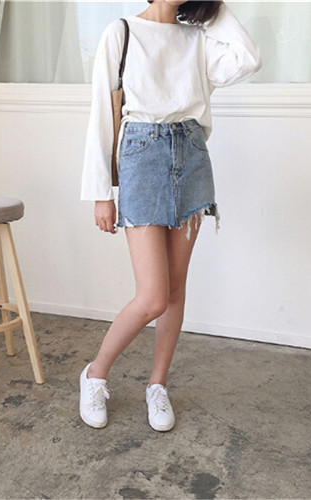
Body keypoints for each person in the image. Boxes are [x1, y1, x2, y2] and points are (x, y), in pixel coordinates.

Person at [79, 0, 262, 431]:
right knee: (153, 297)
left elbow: (248, 59)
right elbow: (102, 113)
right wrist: (101, 193)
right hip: (141, 158)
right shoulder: (121, 32)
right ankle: (95, 374)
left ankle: (157, 385)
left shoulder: (198, 40)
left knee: (175, 290)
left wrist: (212, 9)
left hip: (192, 156)